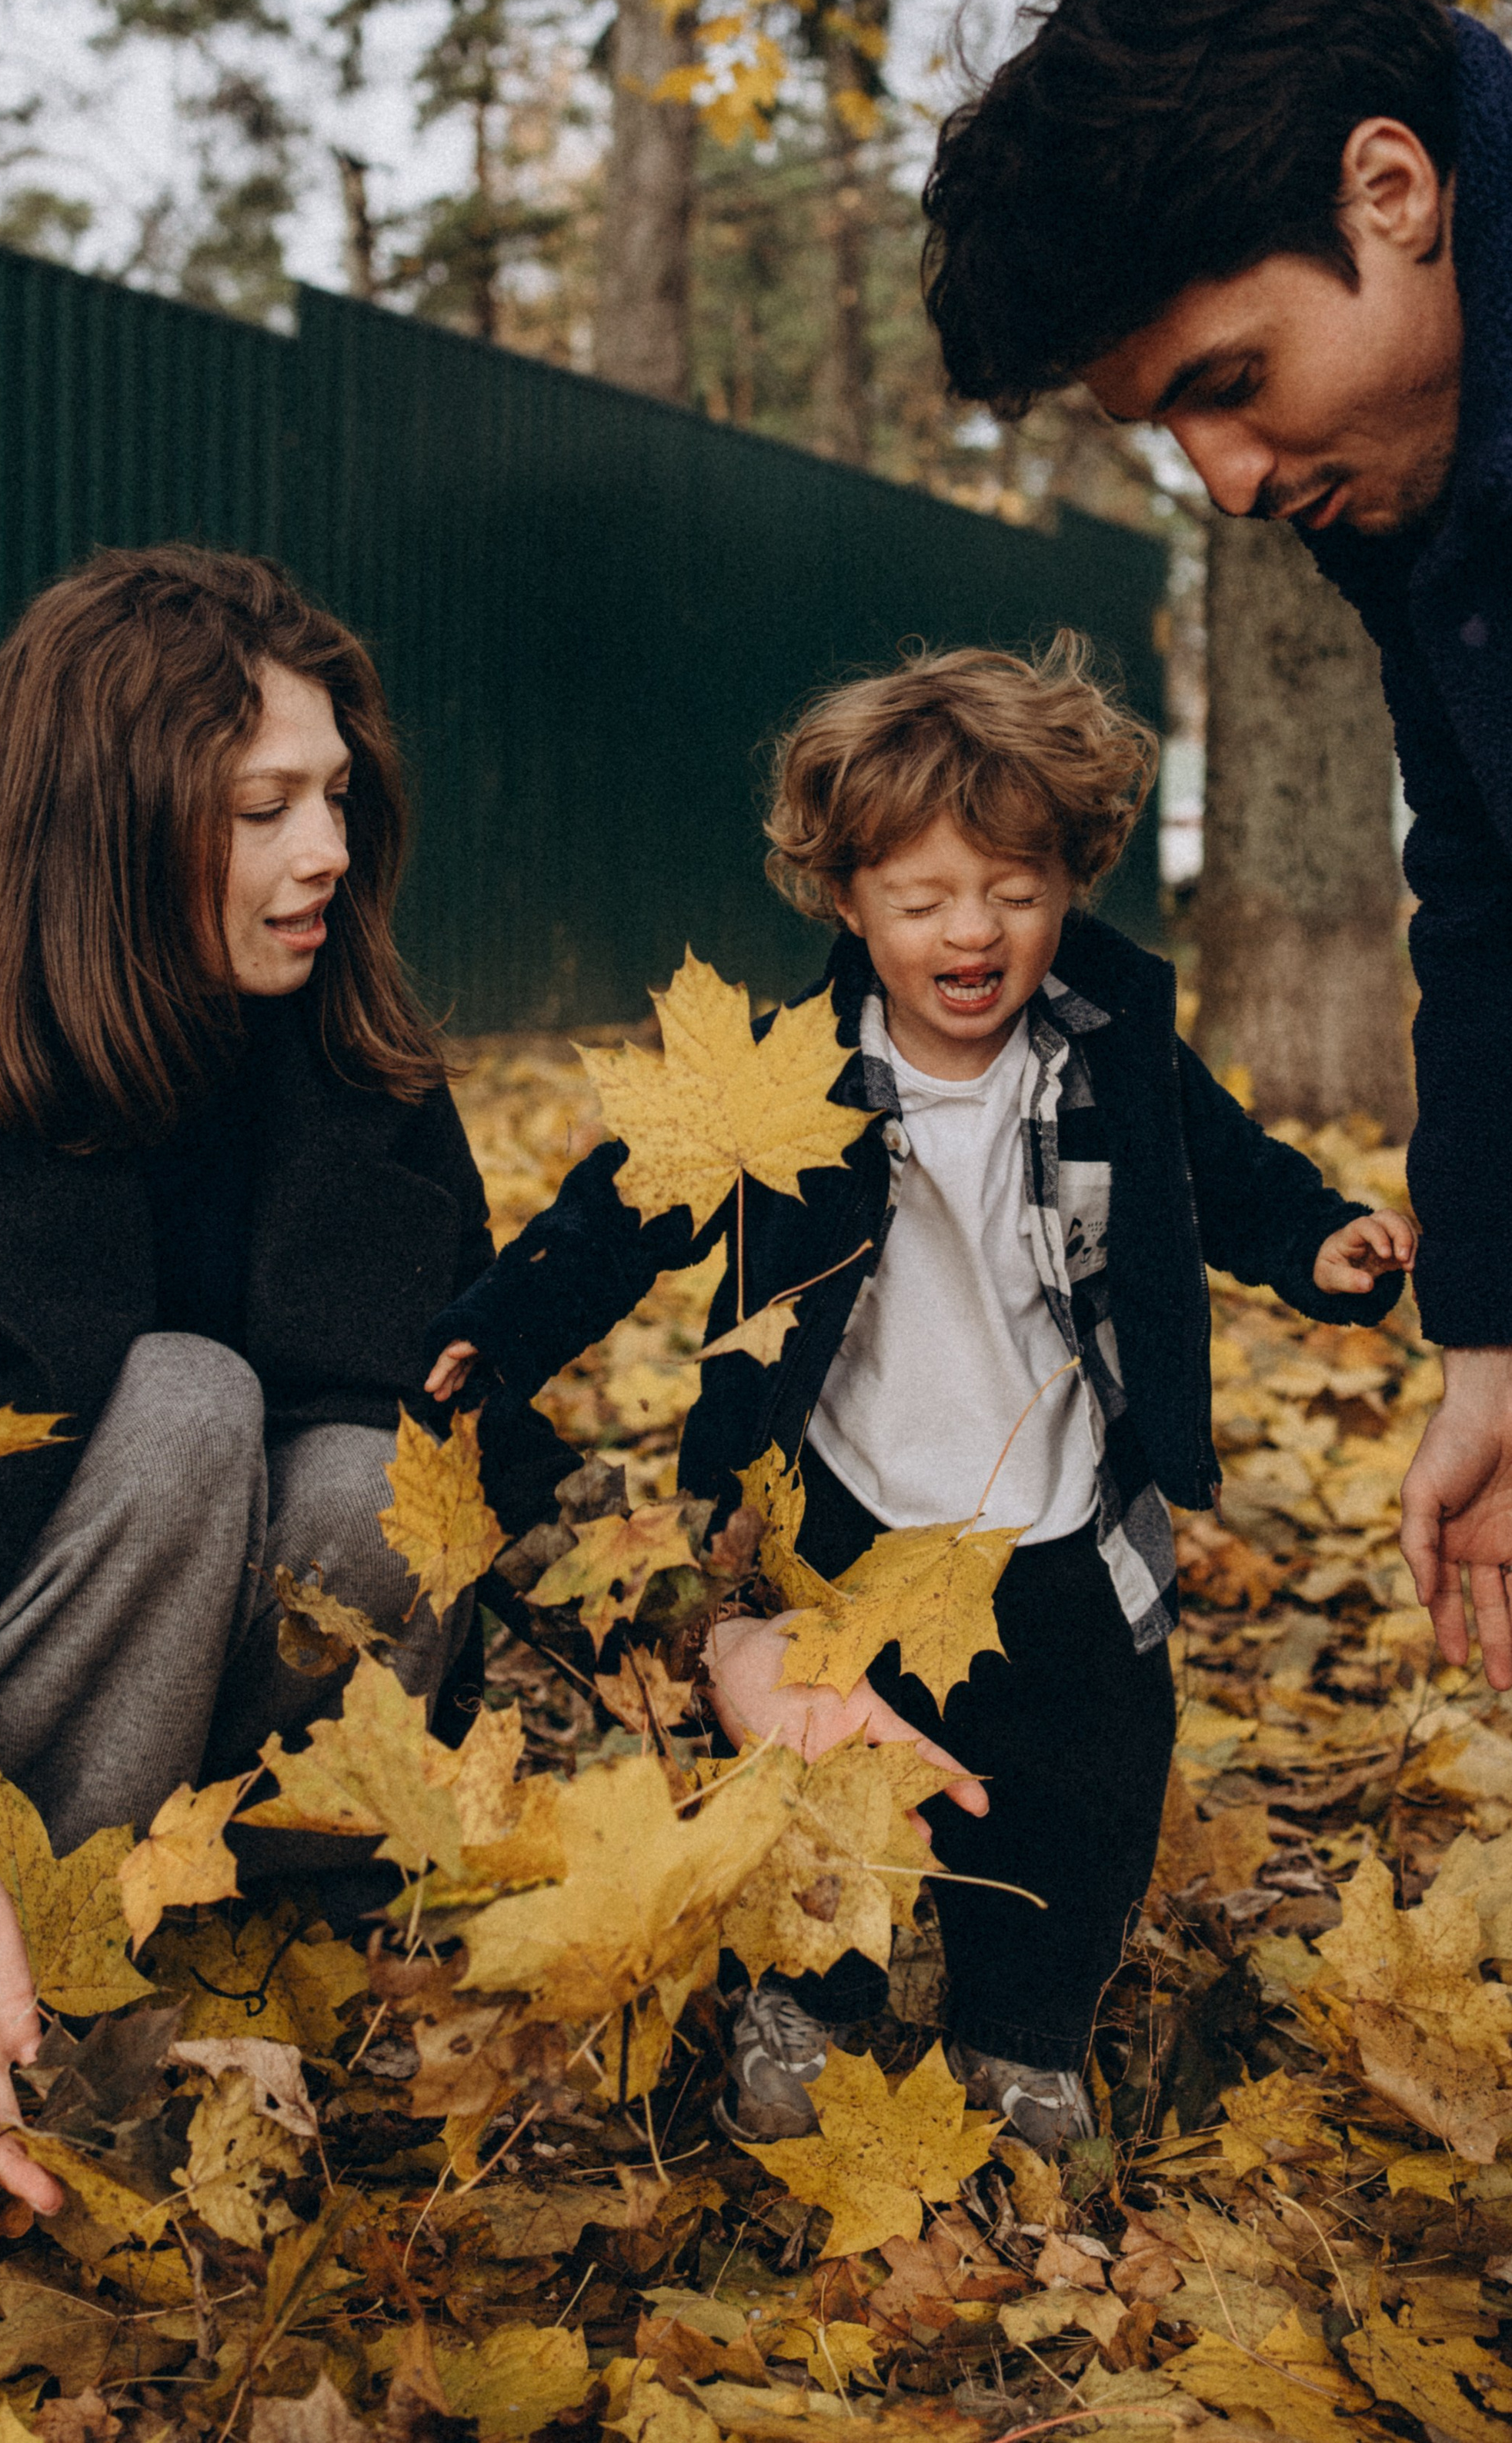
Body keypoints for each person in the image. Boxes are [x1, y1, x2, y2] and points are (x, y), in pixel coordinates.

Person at [916, 0, 1512, 2050]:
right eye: (1173, 427)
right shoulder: (1408, 491)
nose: (1229, 482)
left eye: (1232, 386)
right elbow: (1507, 885)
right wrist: (1506, 1342)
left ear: (1392, 186)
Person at [422, 642, 1415, 2150]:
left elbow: (1228, 1174)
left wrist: (1314, 1242)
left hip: (1057, 1502)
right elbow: (617, 1211)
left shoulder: (1105, 1053)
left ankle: (1023, 2034)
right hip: (841, 1505)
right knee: (826, 1772)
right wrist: (498, 1331)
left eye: (1014, 895)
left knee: (1081, 1783)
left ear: (1068, 884)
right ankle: (805, 2007)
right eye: (923, 899)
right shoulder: (779, 1076)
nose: (973, 932)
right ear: (843, 897)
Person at [0, 545, 553, 2215]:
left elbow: (488, 1454)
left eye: (336, 797)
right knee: (185, 1407)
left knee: (377, 1474)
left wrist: (714, 1635)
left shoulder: (366, 1081)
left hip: (234, 1800)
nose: (327, 851)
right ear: (104, 824)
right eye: (263, 809)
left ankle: (234, 1962)